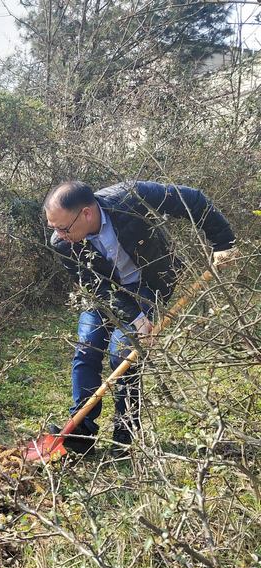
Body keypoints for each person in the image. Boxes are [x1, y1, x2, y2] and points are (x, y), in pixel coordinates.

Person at [44, 181, 236, 457]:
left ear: (86, 213)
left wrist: (223, 243)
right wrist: (135, 318)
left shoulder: (131, 199)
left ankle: (125, 432)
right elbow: (97, 287)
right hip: (104, 291)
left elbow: (192, 200)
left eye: (63, 228)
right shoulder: (62, 243)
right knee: (87, 348)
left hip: (148, 283)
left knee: (123, 353)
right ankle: (80, 433)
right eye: (54, 227)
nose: (59, 235)